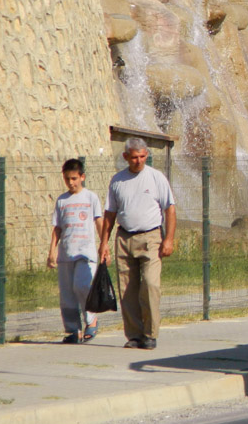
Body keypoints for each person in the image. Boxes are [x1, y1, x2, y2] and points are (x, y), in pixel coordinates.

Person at [99, 138, 176, 350]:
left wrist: (168, 239)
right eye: (134, 157)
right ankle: (134, 335)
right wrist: (104, 243)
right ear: (125, 157)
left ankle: (150, 334)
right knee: (127, 289)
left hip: (151, 237)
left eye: (143, 156)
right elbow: (110, 214)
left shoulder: (156, 178)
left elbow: (170, 209)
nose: (139, 161)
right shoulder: (117, 181)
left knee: (150, 285)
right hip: (124, 238)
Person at [48, 158, 104, 344]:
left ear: (82, 177)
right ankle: (73, 330)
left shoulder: (91, 197)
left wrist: (105, 246)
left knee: (82, 285)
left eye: (74, 178)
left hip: (85, 253)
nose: (71, 182)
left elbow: (98, 222)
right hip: (66, 254)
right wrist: (52, 252)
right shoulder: (62, 200)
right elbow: (57, 228)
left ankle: (91, 320)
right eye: (67, 179)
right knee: (67, 295)